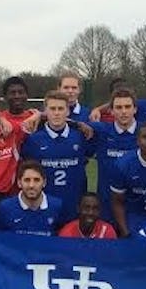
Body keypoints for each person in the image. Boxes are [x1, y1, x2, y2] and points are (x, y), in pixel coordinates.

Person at [19, 90, 93, 224]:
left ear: (68, 111)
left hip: (74, 206)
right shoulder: (34, 139)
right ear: (45, 111)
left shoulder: (80, 136)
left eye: (61, 108)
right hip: (44, 207)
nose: (57, 113)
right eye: (52, 109)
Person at [89, 88, 139, 222]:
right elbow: (67, 123)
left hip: (136, 210)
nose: (123, 111)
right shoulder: (100, 131)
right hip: (106, 209)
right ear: (111, 111)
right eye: (118, 107)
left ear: (135, 109)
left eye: (127, 107)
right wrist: (40, 115)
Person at [0, 161, 63, 235]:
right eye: (27, 180)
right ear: (19, 183)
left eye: (36, 180)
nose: (31, 185)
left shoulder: (57, 206)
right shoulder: (4, 208)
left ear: (44, 182)